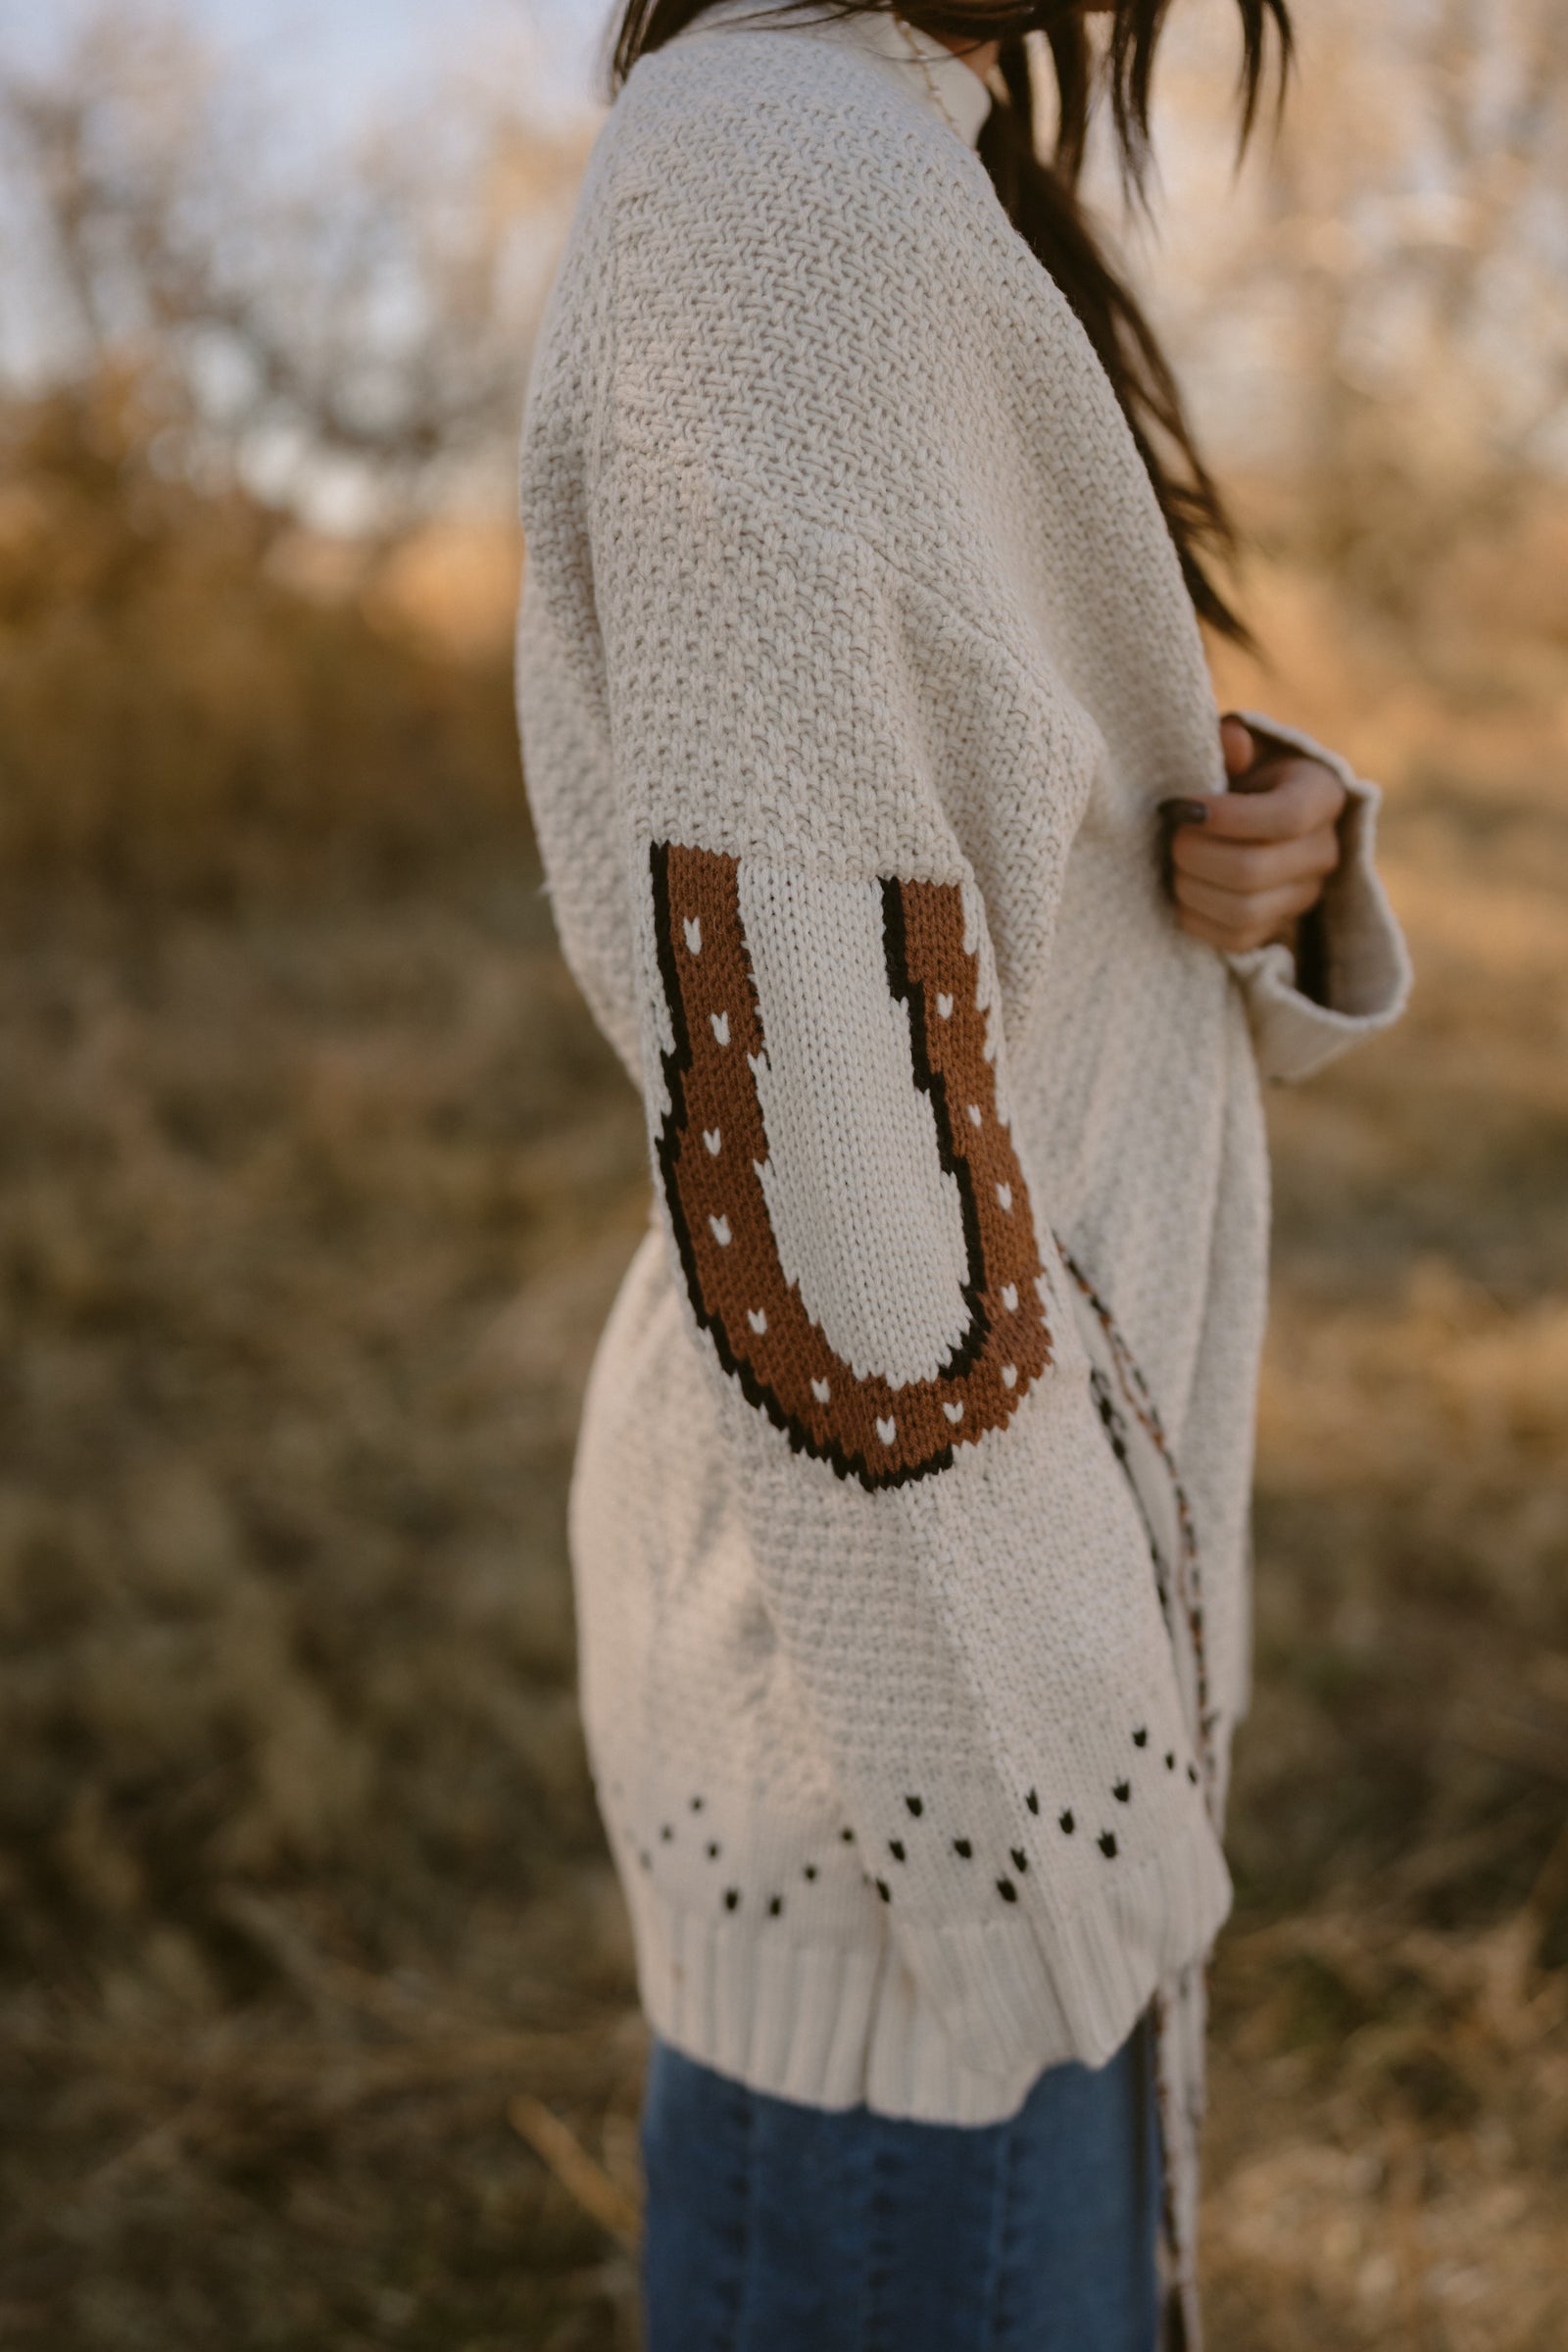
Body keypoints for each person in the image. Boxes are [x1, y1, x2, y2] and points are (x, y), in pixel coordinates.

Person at [515, 0, 1411, 2341]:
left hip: (995, 1687)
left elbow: (979, 895)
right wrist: (1039, 1834)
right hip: (921, 1734)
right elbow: (811, 1124)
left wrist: (1261, 837)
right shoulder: (771, 176)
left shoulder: (914, 157)